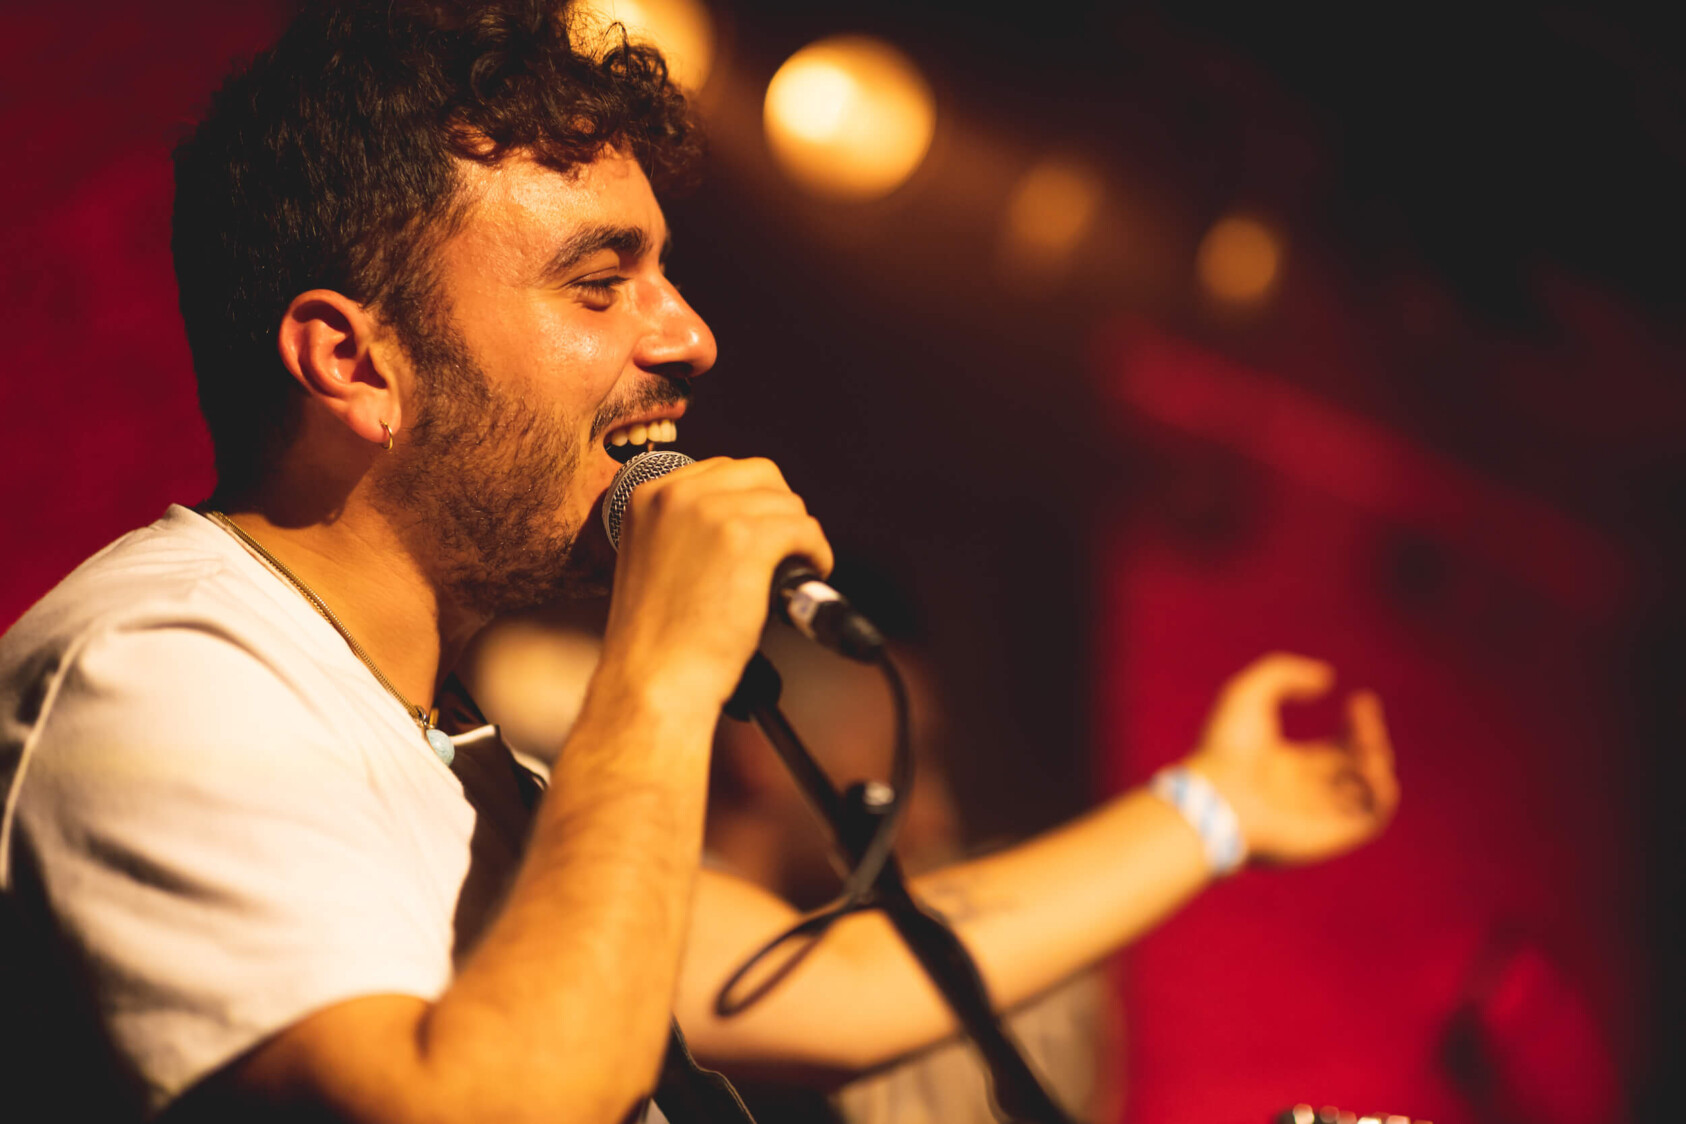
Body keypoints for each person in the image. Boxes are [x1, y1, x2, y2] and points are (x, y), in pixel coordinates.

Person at [0, 3, 1400, 1122]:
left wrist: (1212, 808)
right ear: (355, 362)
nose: (686, 336)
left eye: (662, 275)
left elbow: (839, 980)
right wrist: (662, 670)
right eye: (598, 284)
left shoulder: (464, 768)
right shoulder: (161, 674)